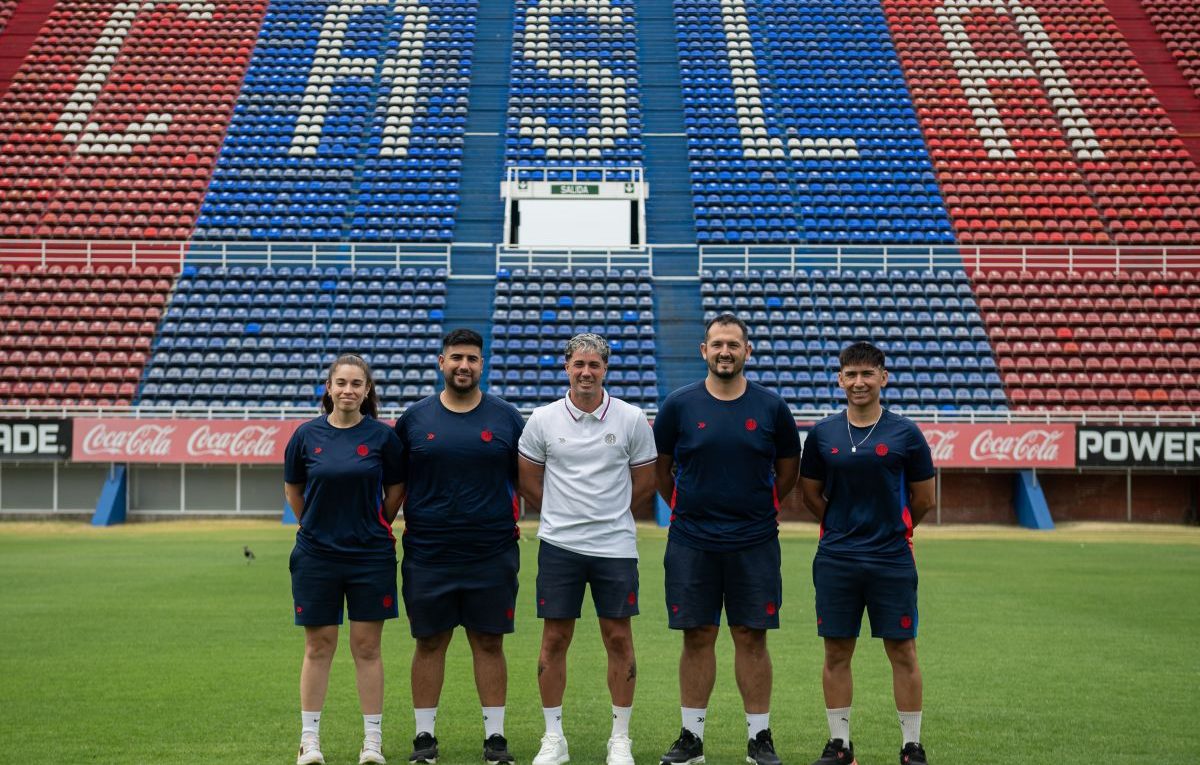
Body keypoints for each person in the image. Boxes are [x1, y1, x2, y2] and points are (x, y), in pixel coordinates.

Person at [653, 312, 801, 765]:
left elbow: (788, 472)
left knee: (751, 636)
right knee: (697, 635)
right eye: (717, 344)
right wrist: (687, 506)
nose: (724, 352)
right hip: (692, 539)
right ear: (704, 350)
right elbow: (661, 469)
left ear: (747, 351)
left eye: (733, 345)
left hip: (753, 541)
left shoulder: (772, 407)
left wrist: (755, 509)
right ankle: (691, 739)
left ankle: (759, 739)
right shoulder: (679, 405)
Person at [517, 333, 657, 765]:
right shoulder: (542, 419)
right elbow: (527, 480)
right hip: (560, 545)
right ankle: (553, 737)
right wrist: (564, 514)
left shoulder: (632, 419)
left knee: (618, 637)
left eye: (594, 365)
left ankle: (620, 739)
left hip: (615, 546)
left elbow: (646, 482)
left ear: (605, 369)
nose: (586, 372)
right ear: (566, 367)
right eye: (579, 364)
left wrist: (607, 514)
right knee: (555, 638)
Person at [798, 342, 936, 765]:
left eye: (867, 374)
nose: (859, 382)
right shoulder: (823, 433)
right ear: (840, 379)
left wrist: (889, 530)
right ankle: (840, 745)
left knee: (903, 650)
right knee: (837, 651)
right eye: (851, 374)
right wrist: (843, 527)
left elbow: (924, 498)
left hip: (891, 558)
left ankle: (911, 746)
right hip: (837, 558)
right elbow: (811, 494)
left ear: (883, 378)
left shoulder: (905, 433)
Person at [392, 329, 525, 765]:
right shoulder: (413, 420)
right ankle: (424, 738)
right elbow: (395, 485)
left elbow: (525, 479)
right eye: (455, 358)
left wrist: (516, 518)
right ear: (440, 362)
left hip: (491, 553)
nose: (463, 365)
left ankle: (495, 739)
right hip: (429, 554)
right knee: (429, 643)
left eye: (471, 358)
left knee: (489, 643)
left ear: (482, 364)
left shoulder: (507, 418)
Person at [284, 354, 405, 765]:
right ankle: (309, 741)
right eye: (342, 383)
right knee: (319, 646)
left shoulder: (383, 438)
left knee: (367, 648)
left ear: (367, 391)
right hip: (317, 556)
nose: (349, 391)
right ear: (329, 388)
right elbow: (294, 492)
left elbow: (395, 491)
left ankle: (372, 741)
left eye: (357, 384)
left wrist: (374, 525)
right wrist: (317, 527)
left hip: (370, 555)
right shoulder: (305, 436)